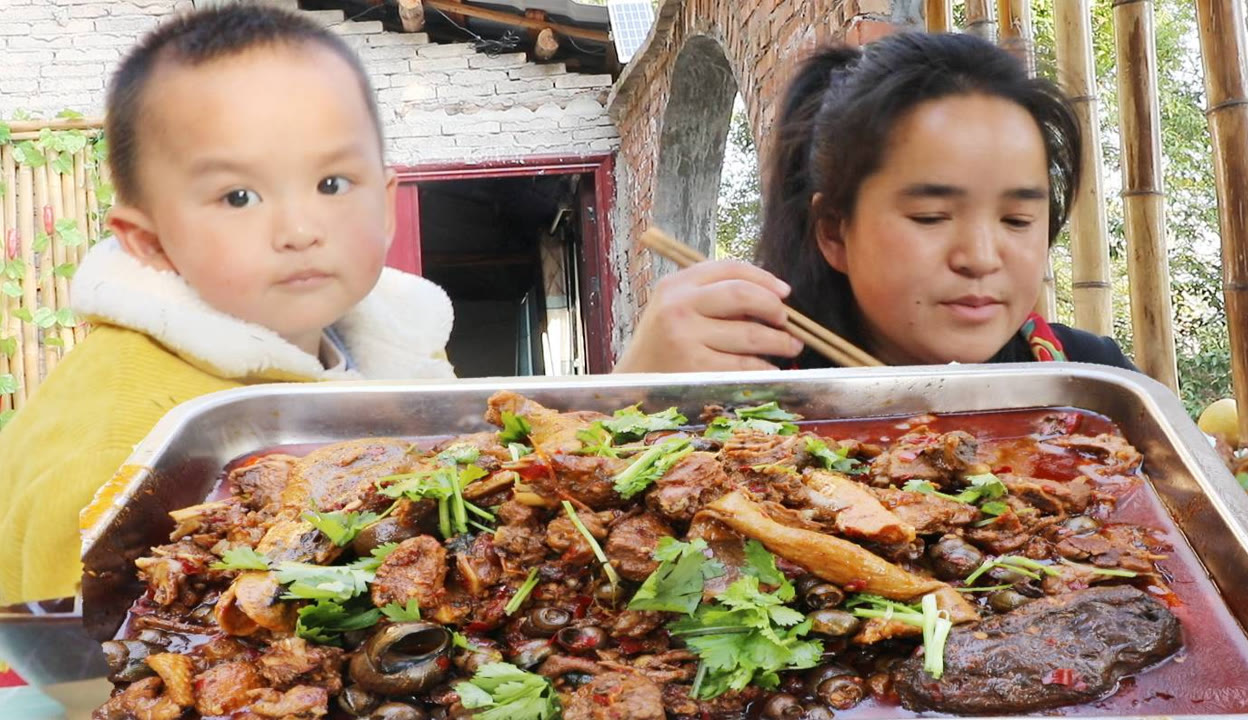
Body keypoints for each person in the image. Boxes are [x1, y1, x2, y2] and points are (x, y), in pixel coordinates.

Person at [0, 5, 456, 605]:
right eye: (239, 196)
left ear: (385, 199)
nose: (299, 230)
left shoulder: (394, 351)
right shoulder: (132, 450)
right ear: (152, 241)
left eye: (332, 184)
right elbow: (78, 675)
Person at [615, 32, 1134, 374]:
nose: (980, 256)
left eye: (1017, 219)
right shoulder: (750, 389)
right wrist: (628, 398)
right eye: (931, 216)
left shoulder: (1090, 380)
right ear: (834, 232)